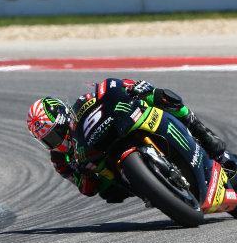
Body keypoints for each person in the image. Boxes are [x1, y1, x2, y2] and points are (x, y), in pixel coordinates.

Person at [26, 79, 226, 203]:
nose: (54, 142)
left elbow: (109, 88)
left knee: (158, 96)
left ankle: (204, 135)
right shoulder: (59, 161)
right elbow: (85, 188)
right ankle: (151, 189)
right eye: (47, 140)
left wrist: (132, 86)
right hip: (105, 164)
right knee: (109, 194)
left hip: (113, 127)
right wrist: (82, 174)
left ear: (64, 119)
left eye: (54, 134)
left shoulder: (81, 103)